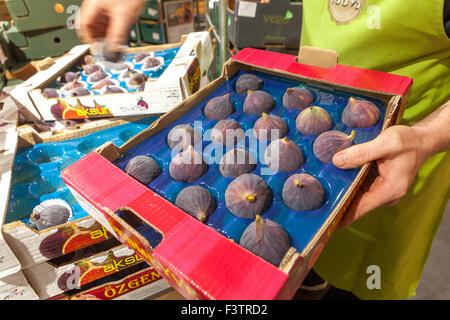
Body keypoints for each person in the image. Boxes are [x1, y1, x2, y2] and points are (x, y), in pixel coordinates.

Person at [78, 0, 450, 300]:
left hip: (403, 141)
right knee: (303, 257)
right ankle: (309, 278)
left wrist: (426, 136)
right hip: (312, 85)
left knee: (365, 277)